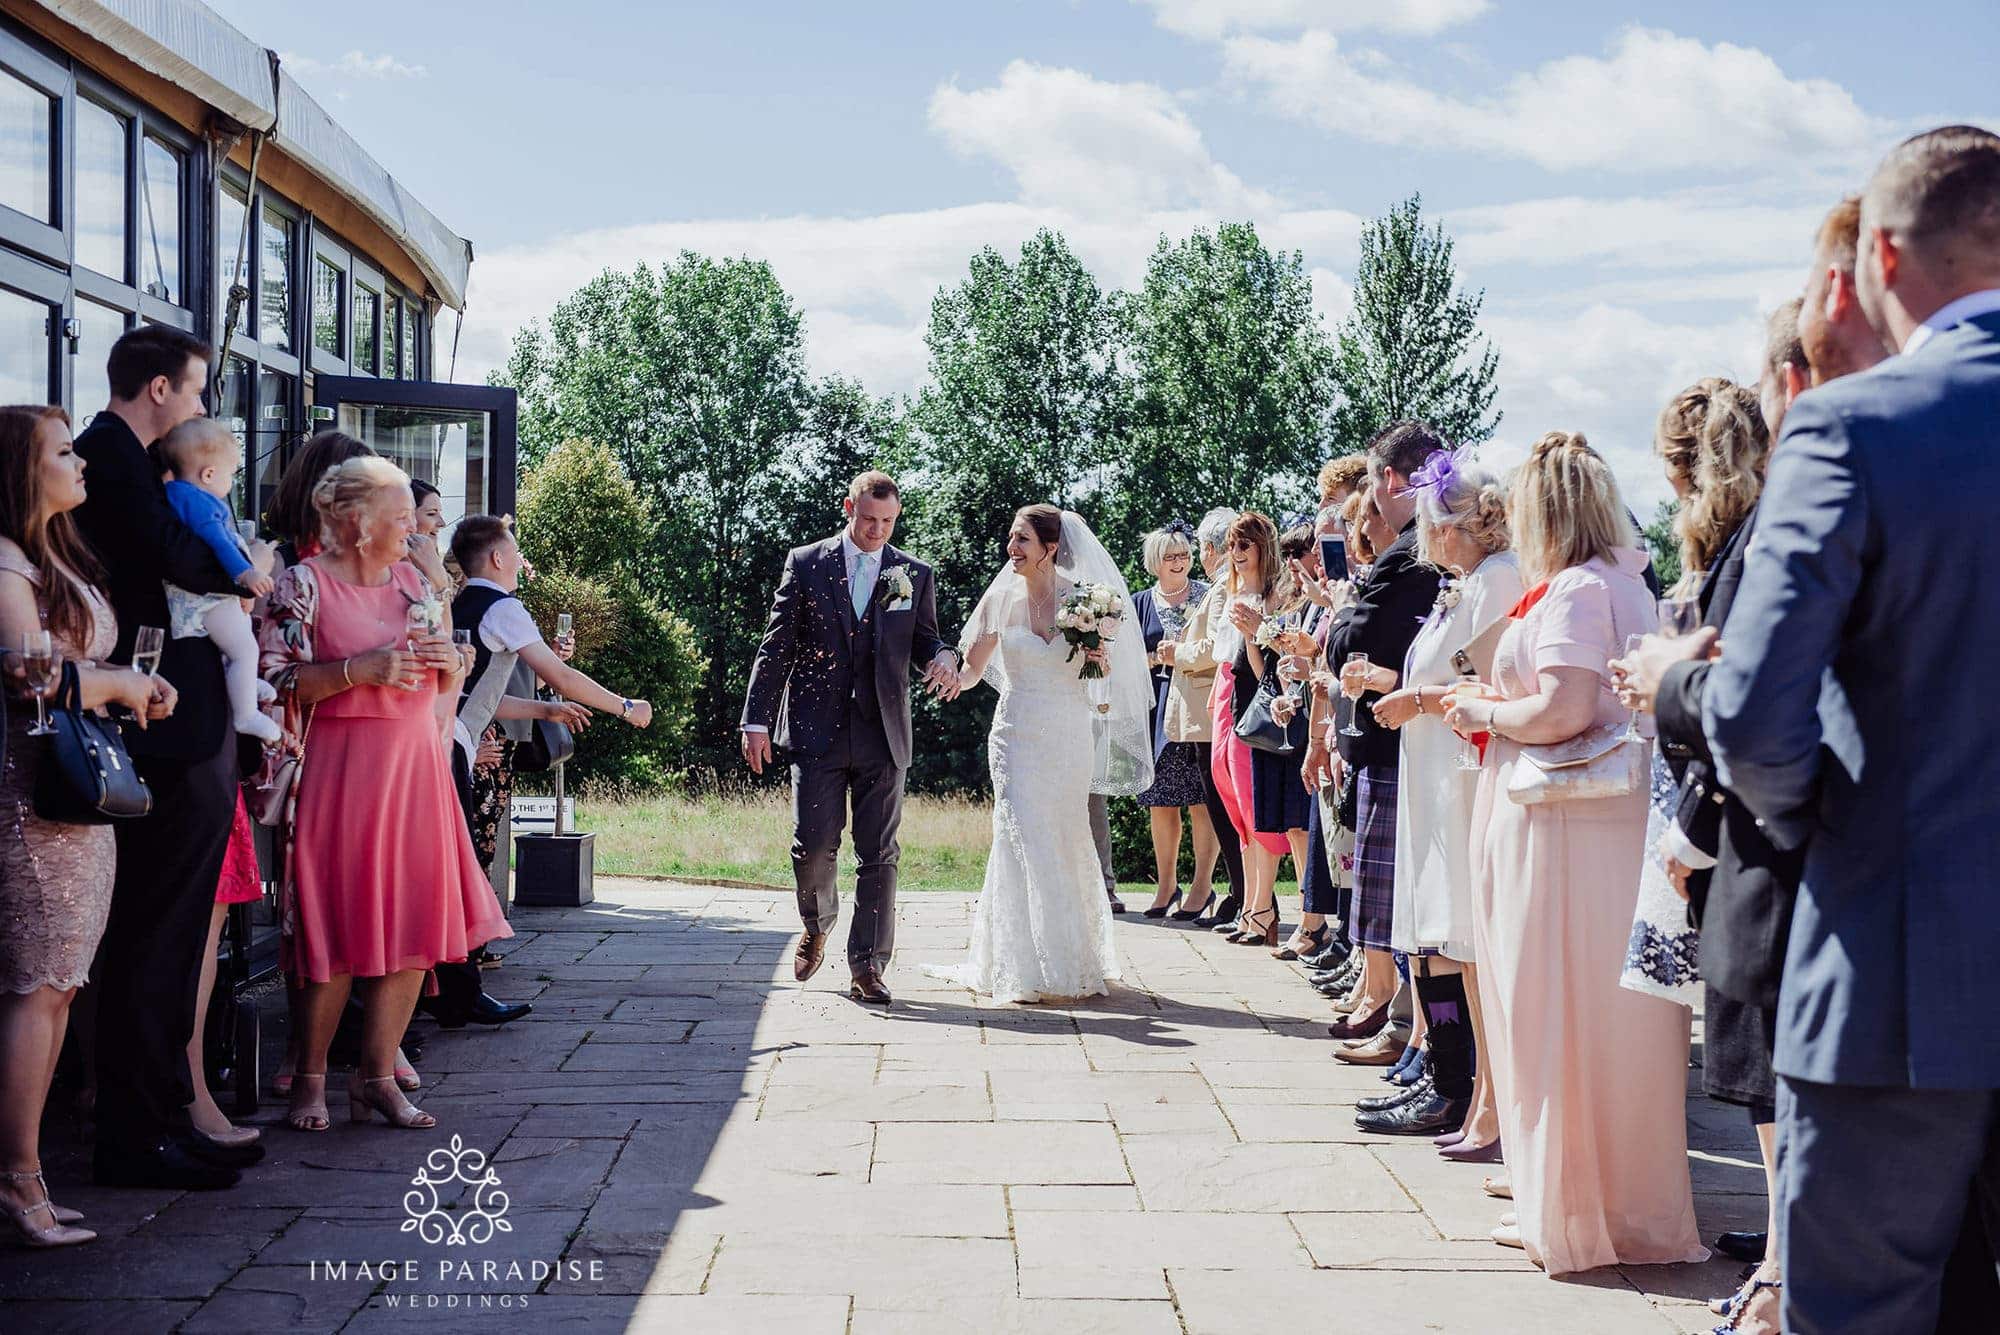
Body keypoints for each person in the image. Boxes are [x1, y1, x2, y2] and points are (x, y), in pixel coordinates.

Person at [1697, 127, 2000, 1335]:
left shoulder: (1857, 428)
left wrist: (1829, 819)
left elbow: (1755, 711)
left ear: (1878, 254)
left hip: (1896, 978)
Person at [1442, 431, 1705, 1273]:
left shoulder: (1576, 593)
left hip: (1561, 828)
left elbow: (1562, 710)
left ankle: (1566, 1210)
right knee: (1612, 1020)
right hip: (1600, 828)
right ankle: (1614, 1204)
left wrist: (1481, 709)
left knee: (1550, 1006)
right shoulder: (1623, 584)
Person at [258, 457, 510, 1132]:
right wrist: (355, 670)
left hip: (414, 770)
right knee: (333, 926)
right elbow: (273, 680)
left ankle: (376, 1079)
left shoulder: (411, 582)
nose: (416, 529)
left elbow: (446, 667)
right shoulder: (301, 585)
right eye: (402, 515)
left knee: (411, 924)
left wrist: (449, 662)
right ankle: (309, 1079)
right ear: (355, 521)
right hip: (340, 773)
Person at [74, 325, 257, 1191]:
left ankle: (157, 1117)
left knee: (174, 934)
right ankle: (132, 1134)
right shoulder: (110, 456)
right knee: (155, 935)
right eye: (193, 390)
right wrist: (240, 568)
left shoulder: (138, 462)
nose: (198, 407)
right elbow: (167, 552)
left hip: (186, 719)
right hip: (165, 729)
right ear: (157, 388)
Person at [0, 406, 174, 1246]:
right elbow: (27, 678)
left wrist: (127, 688)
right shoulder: (5, 562)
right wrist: (118, 687)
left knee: (64, 980)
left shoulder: (52, 553)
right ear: (22, 471)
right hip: (37, 801)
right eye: (63, 452)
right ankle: (19, 1181)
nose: (81, 463)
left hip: (81, 796)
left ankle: (25, 1173)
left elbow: (74, 669)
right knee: (40, 982)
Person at [741, 471, 958, 1005]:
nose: (877, 531)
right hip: (817, 729)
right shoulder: (806, 563)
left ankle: (868, 966)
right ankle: (817, 924)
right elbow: (776, 648)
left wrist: (944, 657)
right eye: (868, 520)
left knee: (879, 853)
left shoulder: (914, 573)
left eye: (887, 522)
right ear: (848, 509)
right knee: (812, 844)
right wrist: (756, 720)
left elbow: (925, 638)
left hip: (884, 733)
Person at [925, 505, 1152, 1002]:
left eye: (1023, 540)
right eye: (1012, 538)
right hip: (1015, 734)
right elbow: (970, 672)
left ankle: (1069, 960)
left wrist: (1099, 657)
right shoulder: (999, 602)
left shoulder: (1090, 601)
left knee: (1065, 836)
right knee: (1019, 833)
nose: (1012, 548)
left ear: (1051, 548)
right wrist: (950, 680)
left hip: (1069, 736)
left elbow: (1104, 679)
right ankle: (1018, 966)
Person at [1364, 449, 1520, 1142]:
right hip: (1430, 767)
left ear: (1452, 526)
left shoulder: (1497, 578)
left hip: (1457, 770)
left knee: (1454, 929)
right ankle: (1445, 1072)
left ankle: (1459, 1087)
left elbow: (1477, 667)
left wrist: (1419, 697)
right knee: (1431, 931)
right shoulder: (1463, 580)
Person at [439, 513, 649, 1024]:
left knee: (452, 870)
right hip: (452, 750)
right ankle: (458, 997)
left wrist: (545, 710)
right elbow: (559, 672)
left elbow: (482, 698)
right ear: (496, 557)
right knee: (459, 871)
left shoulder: (462, 605)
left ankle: (450, 994)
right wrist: (623, 705)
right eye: (514, 548)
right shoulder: (502, 607)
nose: (520, 558)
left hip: (441, 743)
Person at [1322, 422, 1446, 1055]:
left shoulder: (1409, 555)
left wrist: (1344, 606)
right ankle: (1410, 1028)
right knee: (1389, 899)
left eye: (1372, 484)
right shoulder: (1416, 552)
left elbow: (1348, 641)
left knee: (1402, 903)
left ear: (1391, 480)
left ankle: (1412, 1030)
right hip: (1392, 739)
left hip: (1405, 747)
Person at [155, 419, 281, 744]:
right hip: (208, 598)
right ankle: (247, 714)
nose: (232, 481)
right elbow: (218, 542)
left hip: (200, 598)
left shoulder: (174, 494)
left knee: (233, 648)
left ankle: (246, 686)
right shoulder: (200, 501)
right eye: (232, 473)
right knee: (243, 649)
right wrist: (246, 573)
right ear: (209, 474)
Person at [1208, 512, 1291, 946]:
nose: (1237, 555)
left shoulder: (1274, 597)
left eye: (1245, 546)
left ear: (1262, 548)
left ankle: (1263, 910)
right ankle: (1249, 907)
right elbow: (1224, 659)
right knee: (1234, 808)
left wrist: (1253, 636)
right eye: (1232, 547)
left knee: (1254, 807)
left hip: (1254, 701)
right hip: (1225, 699)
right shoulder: (1231, 592)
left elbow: (1268, 674)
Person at [1130, 522, 1218, 917]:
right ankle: (1166, 887)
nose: (1179, 562)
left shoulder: (1206, 595)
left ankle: (1203, 887)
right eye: (1170, 556)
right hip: (1155, 705)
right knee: (1160, 802)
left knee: (1201, 800)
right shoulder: (1139, 603)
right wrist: (1154, 659)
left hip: (1196, 704)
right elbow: (1128, 657)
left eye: (1184, 554)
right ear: (1155, 562)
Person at [1172, 507, 1247, 928]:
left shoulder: (1221, 588)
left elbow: (1214, 649)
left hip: (1208, 711)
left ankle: (1241, 893)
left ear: (1209, 549)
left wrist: (1175, 653)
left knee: (1222, 806)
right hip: (1205, 711)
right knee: (1219, 805)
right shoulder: (1221, 585)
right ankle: (1240, 894)